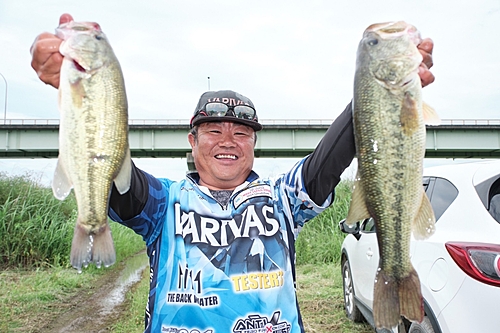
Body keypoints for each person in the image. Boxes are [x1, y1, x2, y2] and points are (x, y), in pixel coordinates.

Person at [30, 13, 435, 333]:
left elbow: (328, 160)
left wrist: (377, 91)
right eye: (213, 131)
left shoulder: (282, 200)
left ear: (253, 145)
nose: (228, 140)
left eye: (241, 132)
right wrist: (76, 91)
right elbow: (114, 177)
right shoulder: (163, 204)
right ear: (192, 141)